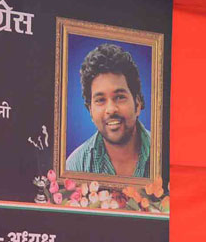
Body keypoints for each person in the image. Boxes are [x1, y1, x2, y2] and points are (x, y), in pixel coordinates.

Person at [65, 44, 151, 178]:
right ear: (90, 111)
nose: (111, 109)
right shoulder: (76, 165)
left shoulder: (164, 153)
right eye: (100, 100)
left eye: (120, 97)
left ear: (138, 104)